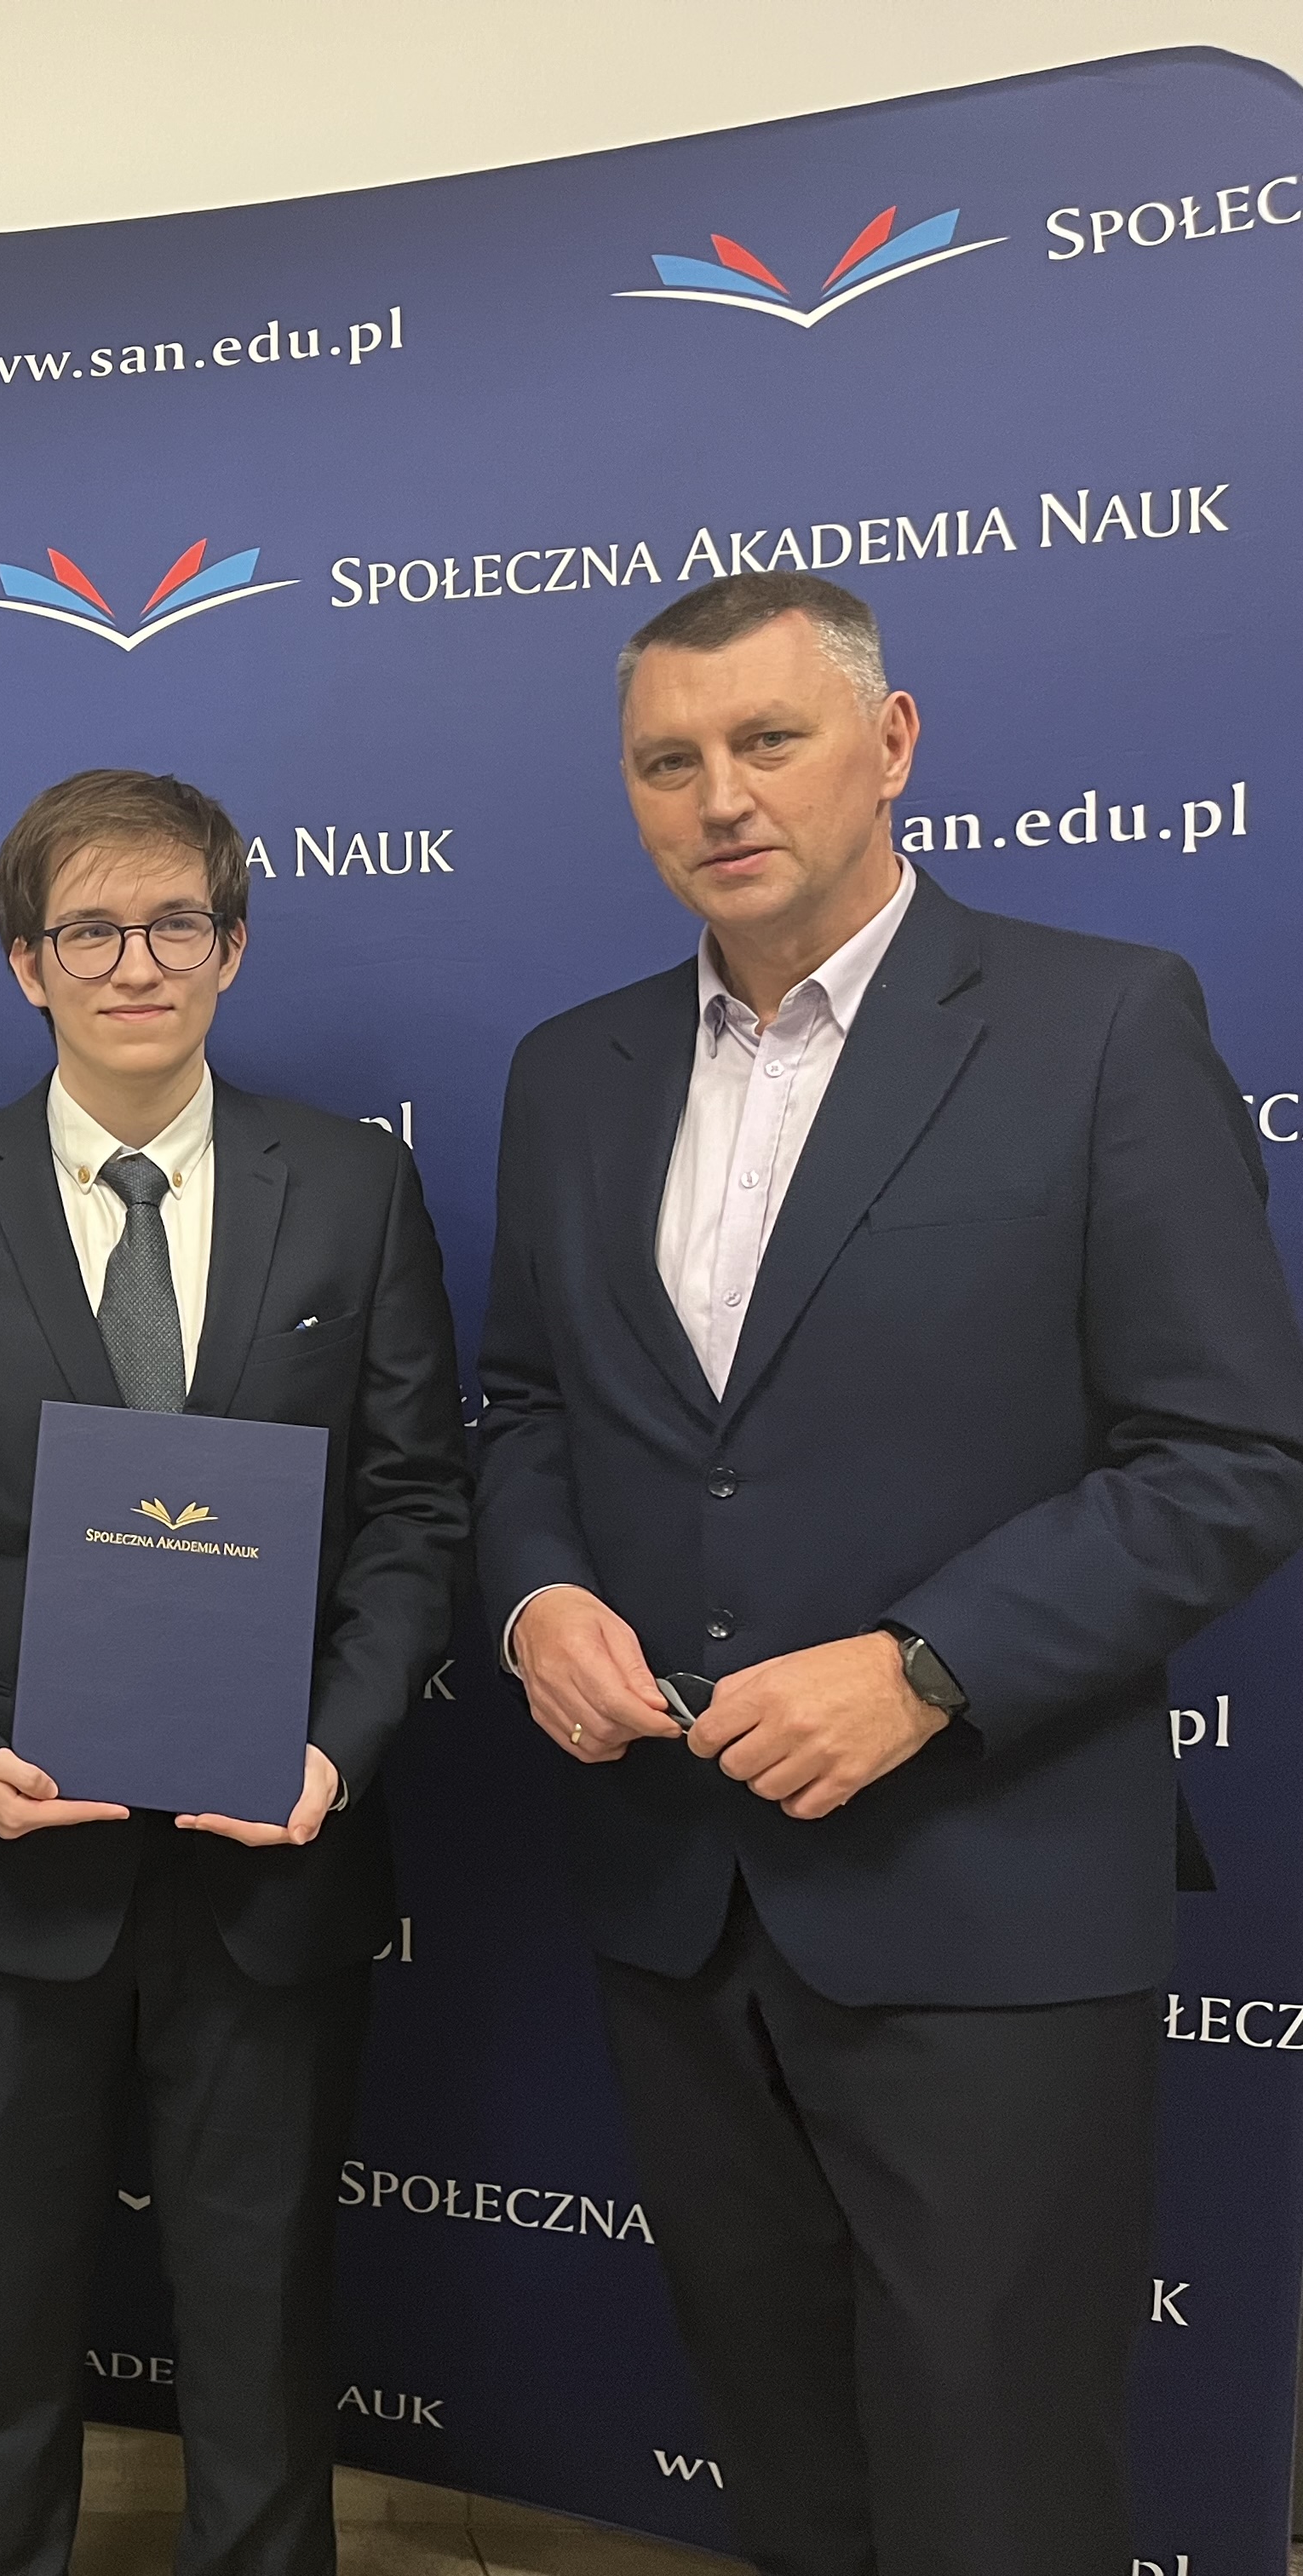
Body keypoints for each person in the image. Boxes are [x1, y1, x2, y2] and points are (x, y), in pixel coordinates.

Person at [475, 570, 1303, 2576]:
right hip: (684, 1898)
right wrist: (536, 1597)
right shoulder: (572, 1071)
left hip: (987, 1897)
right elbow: (522, 1411)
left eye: (768, 740)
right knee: (790, 2468)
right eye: (669, 760)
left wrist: (928, 1666)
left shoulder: (1102, 1022)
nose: (720, 797)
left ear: (892, 742)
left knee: (994, 2488)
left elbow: (1229, 1459)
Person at [0, 768, 466, 2576]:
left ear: (232, 946)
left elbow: (418, 1505)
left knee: (261, 2322)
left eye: (175, 923)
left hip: (274, 1861)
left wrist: (334, 1750)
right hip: (6, 1856)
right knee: (0, 2320)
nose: (135, 964)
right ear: (25, 964)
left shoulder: (352, 1188)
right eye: (89, 930)